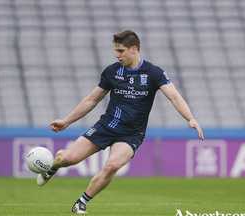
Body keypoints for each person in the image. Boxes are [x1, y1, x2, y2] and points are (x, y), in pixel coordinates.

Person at [37, 30, 204, 214]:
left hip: (131, 134)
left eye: (121, 50)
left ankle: (81, 203)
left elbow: (174, 97)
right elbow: (92, 100)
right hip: (106, 126)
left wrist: (190, 117)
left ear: (133, 49)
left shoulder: (153, 73)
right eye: (116, 50)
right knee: (68, 159)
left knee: (112, 166)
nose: (117, 55)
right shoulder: (112, 71)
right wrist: (66, 122)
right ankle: (53, 166)